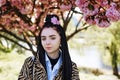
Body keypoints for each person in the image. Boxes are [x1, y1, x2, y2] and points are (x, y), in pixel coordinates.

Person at [18, 14, 80, 80]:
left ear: (61, 39)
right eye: (43, 39)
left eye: (52, 38)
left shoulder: (71, 67)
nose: (47, 42)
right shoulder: (30, 63)